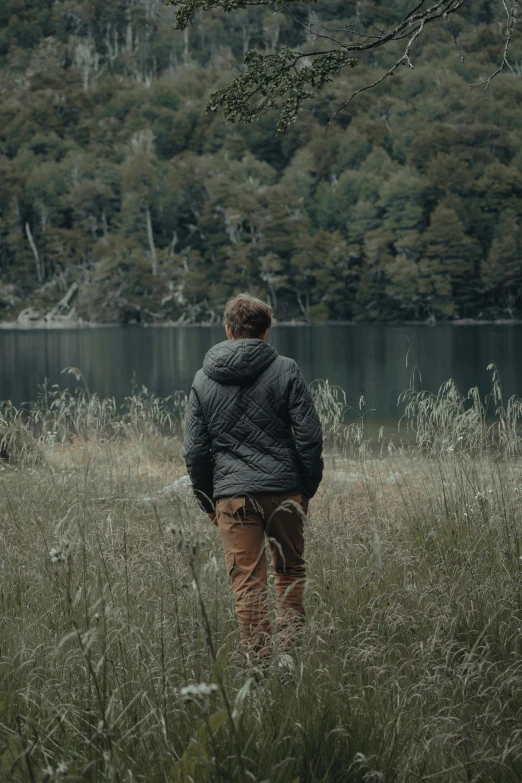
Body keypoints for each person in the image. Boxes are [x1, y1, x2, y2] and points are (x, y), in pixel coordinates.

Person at [183, 293, 323, 662]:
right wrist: (305, 489)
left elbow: (195, 451)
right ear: (265, 331)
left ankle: (260, 666)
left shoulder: (202, 379)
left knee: (247, 582)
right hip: (284, 490)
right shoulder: (286, 369)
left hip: (232, 496)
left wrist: (208, 502)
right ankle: (290, 656)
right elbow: (309, 437)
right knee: (289, 570)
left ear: (228, 329)